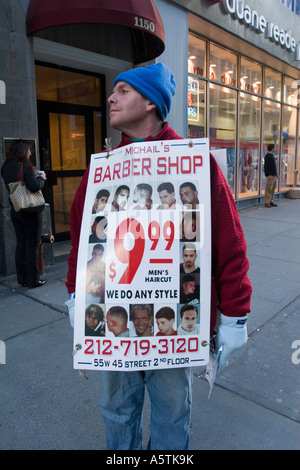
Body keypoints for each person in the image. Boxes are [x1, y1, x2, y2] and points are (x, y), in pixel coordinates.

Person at [66, 62, 252, 450]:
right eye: (113, 90)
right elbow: (82, 241)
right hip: (116, 322)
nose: (111, 97)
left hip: (173, 326)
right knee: (117, 410)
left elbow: (229, 244)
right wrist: (75, 294)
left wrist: (235, 314)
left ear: (150, 101)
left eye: (122, 90)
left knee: (172, 415)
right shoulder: (102, 170)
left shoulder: (196, 164)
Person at [1, 139, 47, 288]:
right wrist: (41, 179)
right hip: (30, 211)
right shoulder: (24, 166)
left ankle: (22, 279)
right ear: (22, 151)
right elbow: (34, 187)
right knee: (32, 246)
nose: (30, 152)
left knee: (21, 244)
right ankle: (33, 280)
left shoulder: (5, 167)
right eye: (28, 150)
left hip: (16, 209)